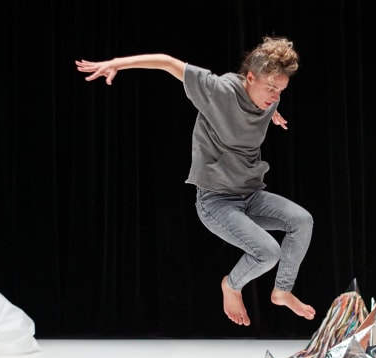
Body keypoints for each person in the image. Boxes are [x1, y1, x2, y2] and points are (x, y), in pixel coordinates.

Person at [75, 36, 316, 327]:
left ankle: (282, 291)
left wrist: (271, 110)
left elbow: (260, 104)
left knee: (302, 221)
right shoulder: (217, 91)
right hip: (217, 202)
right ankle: (231, 285)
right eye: (270, 88)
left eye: (281, 90)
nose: (275, 96)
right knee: (267, 252)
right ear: (250, 77)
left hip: (251, 194)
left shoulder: (266, 100)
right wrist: (117, 63)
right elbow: (166, 62)